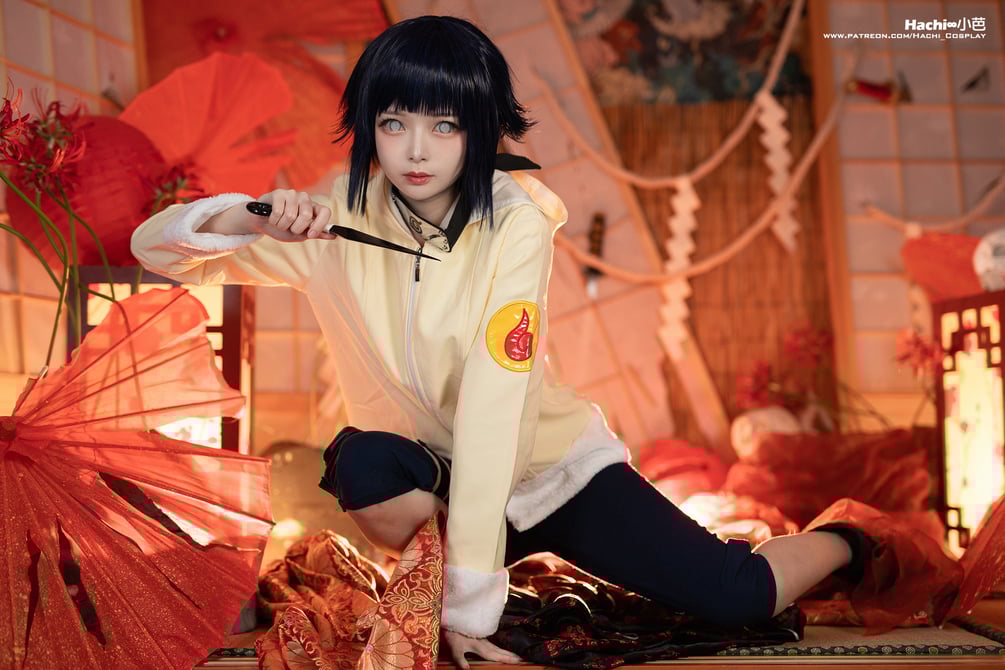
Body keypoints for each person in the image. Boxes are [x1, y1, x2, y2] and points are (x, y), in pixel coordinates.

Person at [131, 15, 861, 669]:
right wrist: (247, 217)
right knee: (362, 460)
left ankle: (853, 541)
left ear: (480, 129)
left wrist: (467, 609)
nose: (417, 151)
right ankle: (463, 573)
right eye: (394, 123)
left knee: (736, 596)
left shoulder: (515, 223)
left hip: (546, 471)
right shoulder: (337, 218)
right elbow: (154, 251)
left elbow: (492, 402)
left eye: (445, 126)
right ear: (369, 127)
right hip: (436, 480)